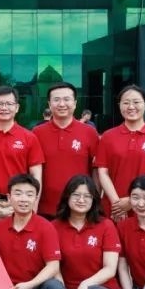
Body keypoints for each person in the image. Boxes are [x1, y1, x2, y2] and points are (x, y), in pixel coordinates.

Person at [51, 175, 123, 289]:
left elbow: (110, 268)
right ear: (67, 197)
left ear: (94, 200)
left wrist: (86, 284)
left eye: (87, 196)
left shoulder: (106, 225)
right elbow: (54, 268)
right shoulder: (55, 227)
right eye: (76, 195)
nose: (81, 200)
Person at [94, 85, 145, 220]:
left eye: (136, 102)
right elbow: (102, 173)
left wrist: (133, 201)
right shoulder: (108, 136)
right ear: (119, 105)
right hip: (114, 209)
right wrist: (117, 205)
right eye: (126, 103)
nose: (131, 107)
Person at [0, 85, 44, 226]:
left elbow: (36, 175)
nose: (4, 107)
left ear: (17, 107)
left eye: (9, 104)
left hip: (19, 203)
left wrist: (34, 205)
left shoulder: (29, 138)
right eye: (0, 104)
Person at [33, 82, 98, 219]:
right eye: (56, 100)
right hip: (44, 209)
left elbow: (96, 171)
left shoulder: (89, 133)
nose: (62, 104)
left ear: (75, 103)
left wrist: (94, 201)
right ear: (49, 104)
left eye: (67, 99)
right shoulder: (37, 133)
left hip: (79, 209)